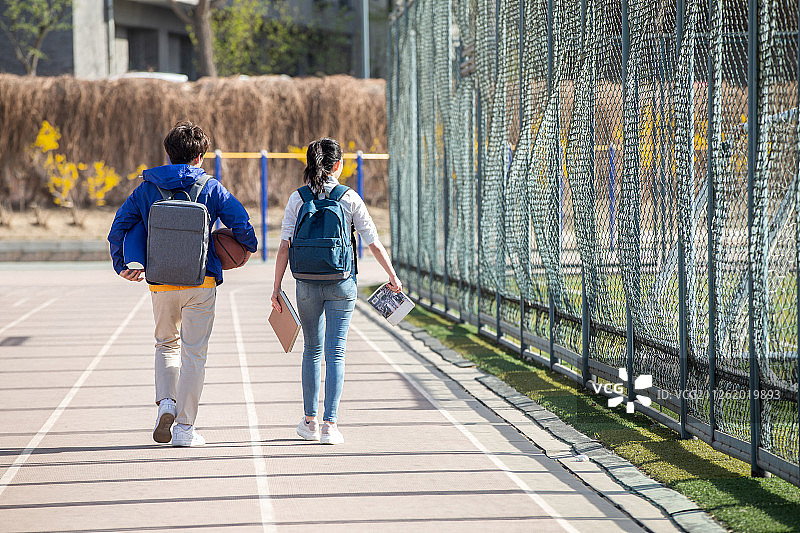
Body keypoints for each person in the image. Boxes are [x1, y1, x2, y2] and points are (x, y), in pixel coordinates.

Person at [108, 121, 257, 447]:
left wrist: (121, 265)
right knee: (194, 354)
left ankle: (166, 403)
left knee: (166, 344)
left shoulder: (146, 188)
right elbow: (242, 224)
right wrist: (247, 247)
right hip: (201, 281)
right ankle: (185, 429)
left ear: (168, 153)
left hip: (161, 281)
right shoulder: (212, 187)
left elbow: (118, 227)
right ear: (200, 156)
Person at [271, 137, 402, 445]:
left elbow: (283, 248)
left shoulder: (297, 199)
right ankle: (331, 425)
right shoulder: (350, 197)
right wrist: (392, 276)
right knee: (336, 351)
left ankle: (309, 422)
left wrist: (276, 288)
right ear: (339, 166)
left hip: (305, 283)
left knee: (312, 350)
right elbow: (373, 242)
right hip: (343, 282)